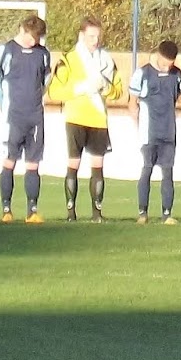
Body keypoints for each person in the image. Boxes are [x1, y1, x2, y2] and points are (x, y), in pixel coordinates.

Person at [49, 17, 123, 223]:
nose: (95, 41)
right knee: (73, 163)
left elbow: (118, 91)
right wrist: (81, 88)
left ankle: (96, 214)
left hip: (99, 120)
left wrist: (106, 88)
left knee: (98, 165)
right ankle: (71, 213)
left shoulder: (107, 60)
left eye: (98, 37)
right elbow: (54, 91)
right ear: (81, 36)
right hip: (76, 118)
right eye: (91, 36)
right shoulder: (69, 59)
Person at [0, 16, 52, 223]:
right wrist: (6, 107)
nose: (32, 42)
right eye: (30, 37)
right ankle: (6, 210)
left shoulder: (43, 54)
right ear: (22, 30)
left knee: (33, 164)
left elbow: (45, 82)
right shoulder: (6, 51)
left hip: (35, 117)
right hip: (13, 117)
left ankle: (32, 211)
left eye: (36, 39)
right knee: (9, 161)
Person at [128, 41, 181, 225]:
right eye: (166, 62)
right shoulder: (143, 74)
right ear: (158, 56)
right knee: (147, 169)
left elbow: (176, 97)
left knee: (168, 172)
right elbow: (132, 103)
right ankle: (142, 213)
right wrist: (137, 124)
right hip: (148, 131)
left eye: (171, 63)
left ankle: (167, 214)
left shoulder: (177, 75)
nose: (169, 66)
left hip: (169, 131)